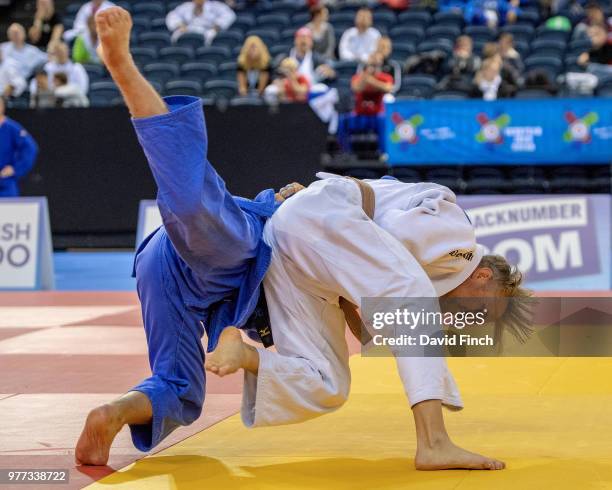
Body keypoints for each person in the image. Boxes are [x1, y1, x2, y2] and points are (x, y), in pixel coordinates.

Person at [76, 6, 530, 472]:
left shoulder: (413, 274)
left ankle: (117, 411)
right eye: (484, 305)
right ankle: (433, 442)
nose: (468, 316)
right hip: (287, 231)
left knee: (315, 384)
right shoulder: (456, 234)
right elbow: (384, 256)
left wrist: (363, 314)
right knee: (195, 206)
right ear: (483, 272)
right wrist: (313, 202)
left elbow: (368, 294)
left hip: (238, 271)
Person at [338, 52, 393, 153]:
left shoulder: (385, 77)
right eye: (371, 65)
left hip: (376, 116)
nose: (373, 67)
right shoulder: (359, 77)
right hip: (360, 115)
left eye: (376, 66)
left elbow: (388, 88)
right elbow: (356, 88)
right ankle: (346, 153)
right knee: (342, 120)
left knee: (384, 120)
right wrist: (366, 77)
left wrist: (371, 80)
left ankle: (383, 153)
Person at [0, 97, 38, 197]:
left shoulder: (12, 128)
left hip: (4, 186)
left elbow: (30, 148)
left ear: (3, 107)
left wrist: (16, 168)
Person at [166, 0, 236, 45]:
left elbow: (229, 15)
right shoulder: (186, 6)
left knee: (211, 35)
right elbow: (172, 15)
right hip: (188, 29)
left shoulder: (215, 6)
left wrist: (216, 26)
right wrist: (180, 25)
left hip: (207, 30)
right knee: (176, 35)